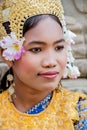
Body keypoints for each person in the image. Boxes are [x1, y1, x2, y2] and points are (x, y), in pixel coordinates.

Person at [0, 0, 87, 129]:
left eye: (58, 47)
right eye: (36, 49)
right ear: (7, 55)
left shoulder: (79, 112)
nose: (51, 62)